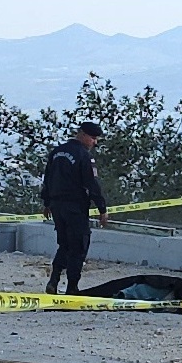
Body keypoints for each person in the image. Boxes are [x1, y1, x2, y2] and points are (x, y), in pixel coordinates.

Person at [40, 121, 108, 295]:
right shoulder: (84, 156)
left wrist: (47, 203)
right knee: (78, 246)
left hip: (57, 206)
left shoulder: (57, 152)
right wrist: (102, 208)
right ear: (83, 135)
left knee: (64, 245)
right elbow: (92, 184)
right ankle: (72, 287)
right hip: (75, 207)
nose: (95, 142)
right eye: (93, 138)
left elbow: (47, 179)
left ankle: (54, 281)